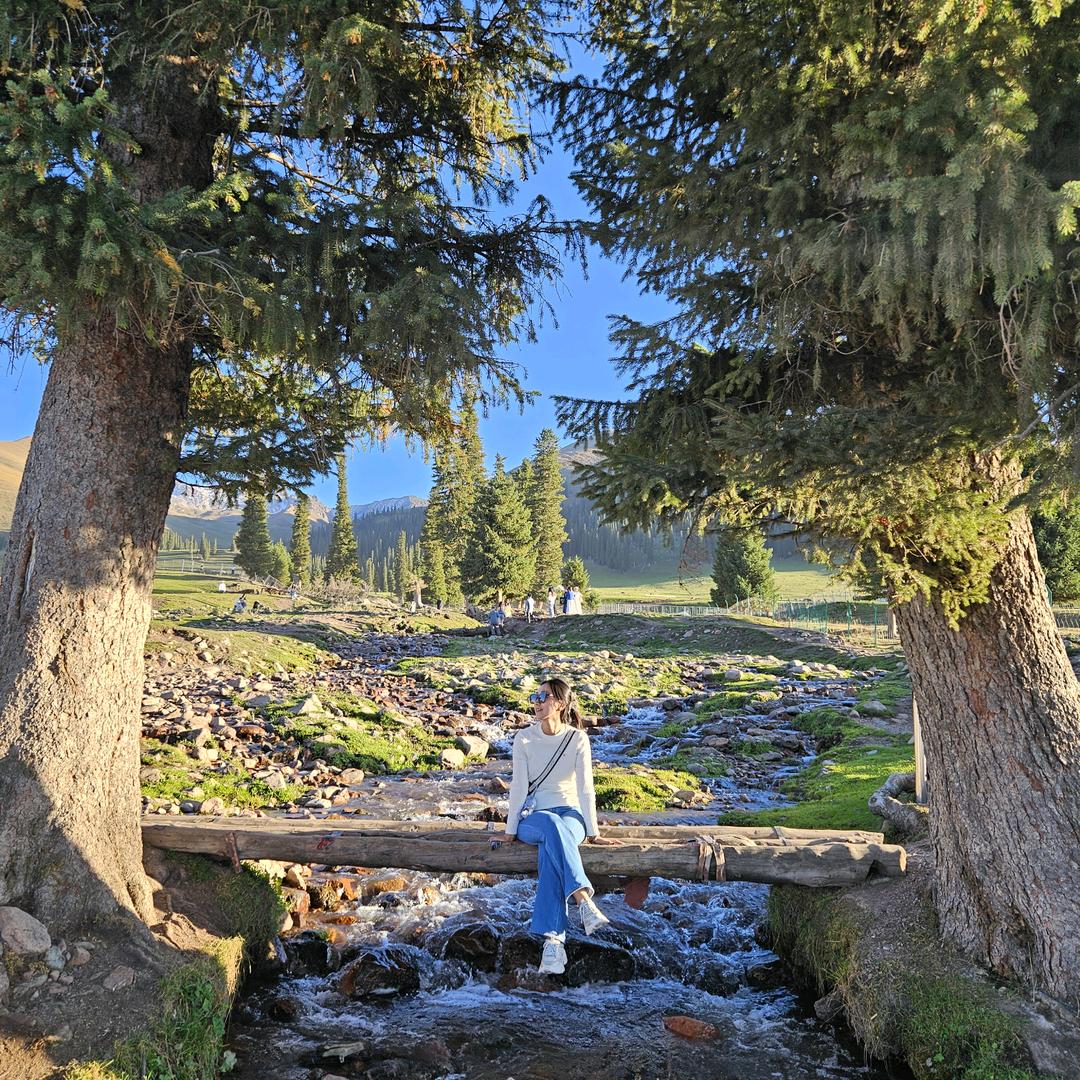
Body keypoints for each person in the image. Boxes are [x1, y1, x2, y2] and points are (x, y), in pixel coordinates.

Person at [489, 677, 622, 975]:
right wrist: (511, 831)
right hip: (535, 818)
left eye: (543, 696)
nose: (536, 702)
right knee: (549, 824)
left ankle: (553, 944)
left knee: (553, 849)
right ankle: (583, 899)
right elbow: (519, 787)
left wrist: (594, 832)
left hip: (572, 816)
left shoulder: (577, 739)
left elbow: (586, 788)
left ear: (560, 703)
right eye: (534, 696)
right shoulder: (524, 738)